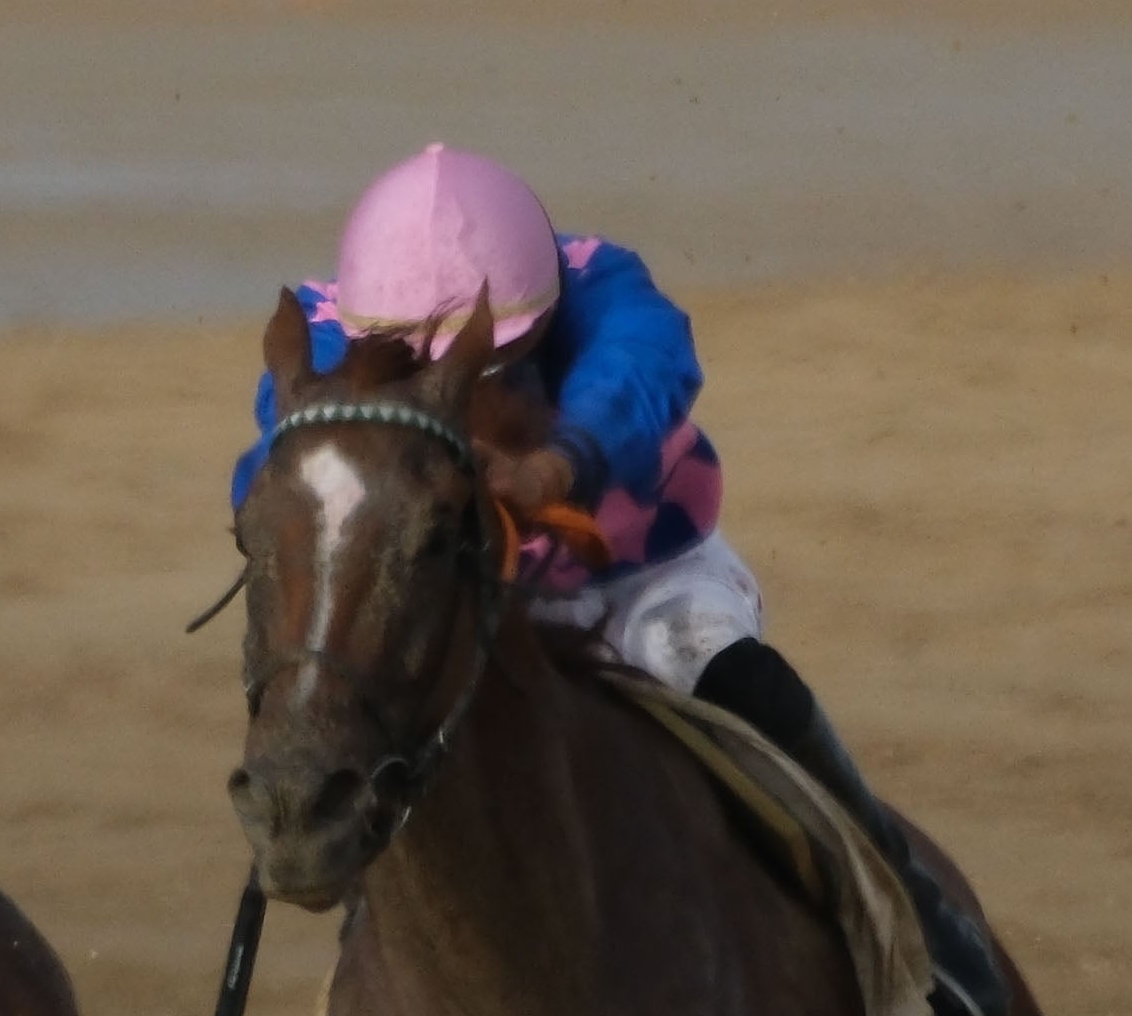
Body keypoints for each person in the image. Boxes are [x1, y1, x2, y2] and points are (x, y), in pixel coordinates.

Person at [251, 143, 952, 935]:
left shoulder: (602, 283)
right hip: (471, 599)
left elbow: (638, 371)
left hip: (643, 577)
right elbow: (284, 470)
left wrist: (555, 468)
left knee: (719, 666)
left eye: (488, 365)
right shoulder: (324, 334)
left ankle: (915, 915)